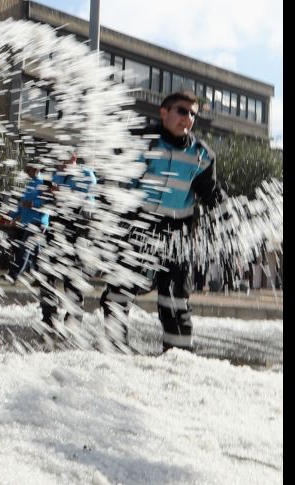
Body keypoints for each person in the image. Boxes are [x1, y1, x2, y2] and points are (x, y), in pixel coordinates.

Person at [99, 91, 223, 353]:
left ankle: (178, 358)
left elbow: (210, 194)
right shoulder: (141, 141)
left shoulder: (202, 154)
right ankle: (113, 351)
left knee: (176, 298)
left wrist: (227, 218)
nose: (187, 118)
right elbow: (116, 180)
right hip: (139, 225)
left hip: (177, 233)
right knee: (120, 290)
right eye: (182, 111)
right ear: (164, 113)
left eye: (192, 114)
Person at [39, 153, 97, 335]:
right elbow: (52, 201)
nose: (62, 163)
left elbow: (87, 191)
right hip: (59, 229)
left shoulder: (86, 174)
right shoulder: (57, 175)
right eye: (61, 160)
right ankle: (49, 318)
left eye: (66, 159)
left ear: (74, 157)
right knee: (46, 274)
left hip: (78, 231)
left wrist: (62, 192)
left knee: (73, 279)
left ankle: (73, 322)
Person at [1, 163, 50, 284]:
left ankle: (13, 276)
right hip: (28, 223)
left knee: (25, 248)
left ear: (37, 169)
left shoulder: (43, 183)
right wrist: (10, 214)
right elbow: (22, 205)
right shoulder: (30, 184)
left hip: (38, 222)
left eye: (30, 169)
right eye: (27, 170)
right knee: (36, 254)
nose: (28, 172)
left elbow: (46, 202)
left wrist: (33, 204)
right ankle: (41, 278)